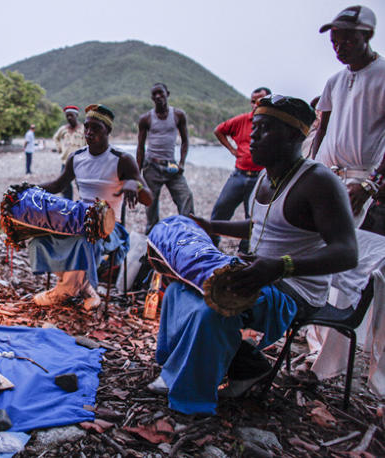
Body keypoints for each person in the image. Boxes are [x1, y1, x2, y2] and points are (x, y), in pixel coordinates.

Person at [149, 95, 357, 415]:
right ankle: (243, 366)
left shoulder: (319, 182)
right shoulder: (266, 173)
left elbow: (347, 253)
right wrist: (208, 224)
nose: (253, 136)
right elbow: (258, 226)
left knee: (212, 307)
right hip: (261, 271)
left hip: (295, 287)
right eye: (254, 127)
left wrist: (280, 267)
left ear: (293, 135)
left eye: (265, 129)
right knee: (180, 288)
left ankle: (192, 396)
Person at [31, 104, 152, 310]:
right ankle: (84, 287)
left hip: (111, 228)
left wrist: (134, 183)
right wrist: (29, 189)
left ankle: (66, 290)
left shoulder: (122, 160)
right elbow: (58, 185)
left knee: (85, 240)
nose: (88, 132)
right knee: (38, 238)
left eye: (95, 128)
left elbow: (148, 199)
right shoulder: (76, 157)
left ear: (108, 131)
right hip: (79, 220)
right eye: (87, 127)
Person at [310, 5, 385, 226]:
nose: (339, 50)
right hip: (332, 179)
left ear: (368, 35)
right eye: (335, 43)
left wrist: (371, 184)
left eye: (348, 42)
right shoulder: (334, 81)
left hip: (366, 184)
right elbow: (322, 129)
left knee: (366, 250)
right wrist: (315, 169)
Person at [209, 87, 271, 253]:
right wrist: (232, 150)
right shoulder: (243, 120)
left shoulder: (272, 123)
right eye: (253, 101)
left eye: (260, 100)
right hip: (239, 174)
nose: (255, 104)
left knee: (253, 217)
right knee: (221, 209)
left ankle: (245, 252)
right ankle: (210, 245)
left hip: (260, 176)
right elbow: (219, 130)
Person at [137, 83, 194, 234]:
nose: (158, 97)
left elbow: (185, 141)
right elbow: (140, 147)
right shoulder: (146, 118)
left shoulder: (178, 115)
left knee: (186, 197)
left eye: (160, 93)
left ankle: (188, 233)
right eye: (154, 94)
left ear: (167, 94)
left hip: (171, 165)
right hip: (152, 166)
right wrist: (137, 174)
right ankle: (151, 241)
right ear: (152, 98)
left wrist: (181, 163)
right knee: (151, 207)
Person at [52, 105, 86, 200]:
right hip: (66, 161)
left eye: (71, 115)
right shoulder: (63, 129)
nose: (69, 118)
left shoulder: (83, 129)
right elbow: (56, 138)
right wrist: (59, 148)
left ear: (76, 115)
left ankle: (84, 204)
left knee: (81, 184)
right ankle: (68, 203)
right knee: (65, 184)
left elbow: (87, 143)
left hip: (80, 161)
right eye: (67, 116)